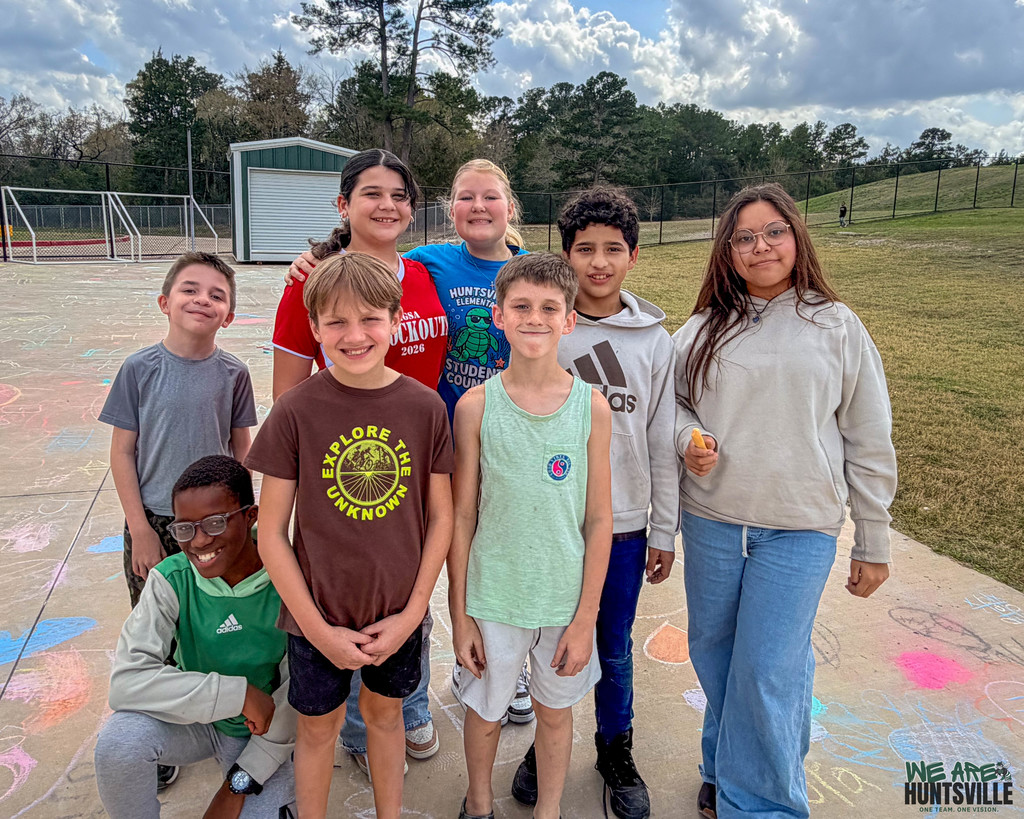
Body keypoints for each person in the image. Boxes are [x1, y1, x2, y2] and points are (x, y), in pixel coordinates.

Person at [673, 183, 897, 819]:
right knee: (717, 660)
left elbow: (868, 435)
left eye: (774, 231)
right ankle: (724, 767)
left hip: (798, 531)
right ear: (727, 251)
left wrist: (873, 539)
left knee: (768, 672)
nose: (760, 246)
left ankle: (763, 805)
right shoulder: (702, 328)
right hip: (713, 523)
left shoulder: (837, 324)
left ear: (797, 238)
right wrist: (686, 437)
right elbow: (674, 408)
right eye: (744, 236)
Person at [285, 157, 535, 724]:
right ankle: (394, 706)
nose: (478, 207)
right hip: (402, 453)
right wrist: (318, 259)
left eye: (490, 197)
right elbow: (359, 270)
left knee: (491, 559)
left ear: (510, 207)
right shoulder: (428, 262)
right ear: (449, 211)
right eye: (466, 197)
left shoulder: (522, 269)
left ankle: (495, 664)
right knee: (394, 574)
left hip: (491, 440)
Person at [247, 253, 454, 819]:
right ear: (314, 329)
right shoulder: (294, 412)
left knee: (386, 719)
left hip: (397, 614)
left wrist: (413, 614)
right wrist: (319, 630)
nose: (354, 335)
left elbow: (443, 518)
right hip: (317, 617)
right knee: (318, 731)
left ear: (396, 319)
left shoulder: (425, 407)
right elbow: (271, 534)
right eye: (335, 322)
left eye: (369, 319)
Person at [271, 148, 447, 771]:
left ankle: (408, 707)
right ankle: (350, 726)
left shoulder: (424, 273)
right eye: (371, 193)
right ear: (343, 205)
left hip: (419, 459)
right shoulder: (311, 281)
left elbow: (498, 270)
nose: (388, 205)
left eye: (400, 195)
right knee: (343, 593)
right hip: (348, 469)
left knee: (406, 596)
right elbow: (287, 393)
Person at [508, 187, 678, 819]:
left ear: (633, 255)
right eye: (585, 249)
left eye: (613, 249)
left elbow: (662, 432)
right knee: (549, 638)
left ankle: (615, 748)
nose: (598, 262)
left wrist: (664, 527)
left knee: (610, 642)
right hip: (550, 521)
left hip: (626, 525)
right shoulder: (544, 326)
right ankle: (550, 741)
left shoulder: (656, 342)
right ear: (567, 254)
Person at [448, 253, 613, 819]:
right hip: (494, 594)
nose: (535, 318)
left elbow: (598, 519)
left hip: (563, 599)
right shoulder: (475, 407)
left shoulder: (591, 407)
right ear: (498, 315)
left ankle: (548, 811)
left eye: (550, 308)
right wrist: (460, 612)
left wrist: (587, 615)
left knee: (554, 713)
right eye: (521, 306)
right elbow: (463, 516)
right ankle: (478, 802)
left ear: (570, 320)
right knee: (488, 710)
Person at [94, 455, 296, 819]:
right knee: (119, 744)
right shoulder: (172, 579)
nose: (199, 542)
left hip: (263, 734)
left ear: (251, 516)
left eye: (215, 523)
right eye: (184, 528)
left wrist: (239, 783)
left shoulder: (289, 579)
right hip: (195, 722)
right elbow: (126, 682)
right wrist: (237, 694)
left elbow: (298, 696)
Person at [100, 251, 256, 611]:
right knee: (155, 618)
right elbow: (122, 452)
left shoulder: (235, 374)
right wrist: (140, 529)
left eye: (217, 295)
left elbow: (241, 449)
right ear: (165, 303)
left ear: (228, 317)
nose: (203, 299)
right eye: (190, 290)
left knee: (214, 615)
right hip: (155, 518)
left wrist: (243, 514)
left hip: (217, 520)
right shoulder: (138, 369)